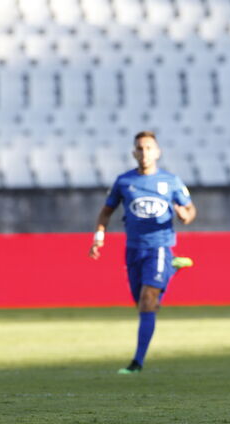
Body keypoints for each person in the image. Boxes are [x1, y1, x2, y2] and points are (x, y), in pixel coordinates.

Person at [89, 130, 197, 374]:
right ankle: (172, 269)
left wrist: (184, 216)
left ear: (157, 152)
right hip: (133, 249)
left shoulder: (171, 181)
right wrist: (98, 237)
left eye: (149, 148)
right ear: (133, 152)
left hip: (160, 245)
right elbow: (106, 212)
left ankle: (137, 362)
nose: (144, 152)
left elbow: (190, 211)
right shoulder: (124, 182)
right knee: (141, 303)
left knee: (148, 301)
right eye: (140, 148)